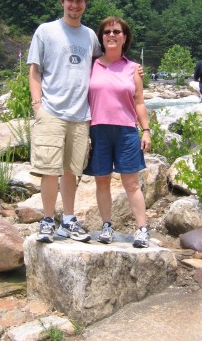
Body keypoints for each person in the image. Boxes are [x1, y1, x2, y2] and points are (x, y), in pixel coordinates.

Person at [27, 0, 101, 244]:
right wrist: (38, 106)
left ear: (85, 4)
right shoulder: (46, 31)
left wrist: (133, 68)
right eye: (70, 0)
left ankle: (68, 219)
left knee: (72, 170)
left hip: (81, 114)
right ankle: (47, 220)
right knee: (49, 169)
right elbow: (34, 71)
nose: (74, 5)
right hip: (52, 110)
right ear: (62, 1)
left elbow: (101, 66)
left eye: (79, 0)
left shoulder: (90, 35)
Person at [83, 17, 151, 248]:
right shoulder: (90, 65)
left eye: (117, 31)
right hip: (98, 130)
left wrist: (146, 130)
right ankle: (106, 226)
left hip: (126, 131)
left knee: (131, 183)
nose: (111, 35)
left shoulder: (133, 69)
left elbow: (139, 102)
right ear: (101, 37)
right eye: (107, 32)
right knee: (101, 182)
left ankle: (142, 229)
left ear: (124, 37)